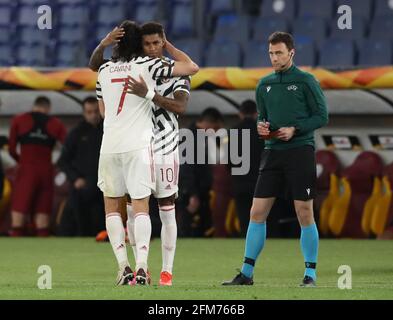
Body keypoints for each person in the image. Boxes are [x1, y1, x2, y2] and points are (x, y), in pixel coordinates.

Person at [94, 20, 198, 286]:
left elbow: (104, 110)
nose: (152, 48)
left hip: (138, 146)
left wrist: (105, 43)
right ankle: (141, 268)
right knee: (137, 208)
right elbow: (191, 67)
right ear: (139, 44)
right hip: (139, 146)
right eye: (147, 43)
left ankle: (146, 270)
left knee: (139, 209)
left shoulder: (106, 70)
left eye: (157, 43)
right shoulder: (148, 66)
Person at [223, 32, 328, 287]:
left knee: (304, 212)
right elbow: (263, 117)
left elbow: (322, 116)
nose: (274, 57)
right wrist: (261, 126)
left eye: (279, 52)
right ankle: (246, 274)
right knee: (256, 212)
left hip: (300, 152)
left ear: (291, 52)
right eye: (271, 53)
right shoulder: (264, 84)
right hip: (272, 153)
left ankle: (310, 275)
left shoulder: (306, 81)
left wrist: (295, 128)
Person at [8, 96, 67, 236]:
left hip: (26, 168)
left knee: (19, 213)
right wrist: (55, 164)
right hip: (46, 170)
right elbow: (68, 148)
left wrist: (21, 161)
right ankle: (43, 249)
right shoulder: (56, 123)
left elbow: (11, 149)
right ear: (48, 108)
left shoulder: (19, 120)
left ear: (34, 106)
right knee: (43, 217)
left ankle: (16, 248)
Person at [57, 96, 104, 236]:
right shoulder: (76, 133)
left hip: (105, 184)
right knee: (81, 221)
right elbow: (63, 161)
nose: (94, 115)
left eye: (96, 111)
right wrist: (75, 178)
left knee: (103, 219)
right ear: (84, 113)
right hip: (82, 185)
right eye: (89, 112)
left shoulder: (109, 129)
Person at [178, 107, 224, 238]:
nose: (215, 133)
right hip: (192, 194)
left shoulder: (200, 137)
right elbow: (186, 167)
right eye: (215, 129)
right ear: (208, 124)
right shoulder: (190, 138)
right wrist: (192, 194)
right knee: (190, 230)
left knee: (203, 229)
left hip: (199, 192)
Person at [230, 100, 264, 236]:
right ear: (257, 114)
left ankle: (247, 243)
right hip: (260, 181)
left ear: (240, 114)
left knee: (244, 218)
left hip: (240, 182)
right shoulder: (262, 132)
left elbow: (229, 161)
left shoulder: (233, 131)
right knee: (263, 216)